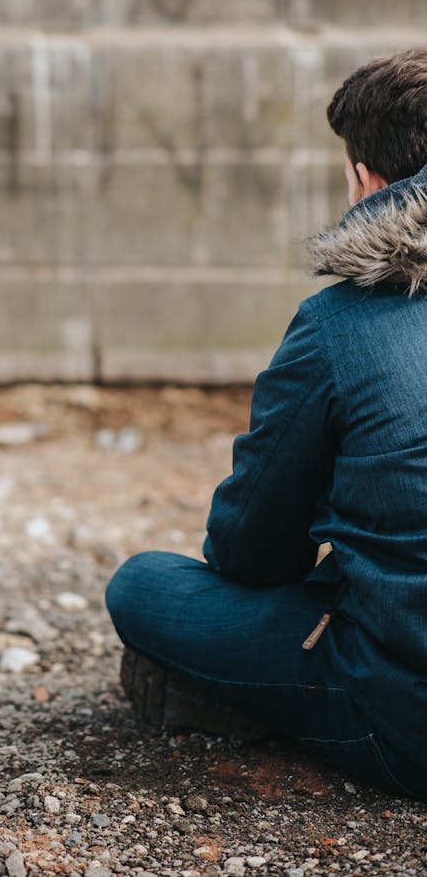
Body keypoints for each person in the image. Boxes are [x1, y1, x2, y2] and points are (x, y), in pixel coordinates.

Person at [106, 48, 427, 799]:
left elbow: (251, 555)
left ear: (365, 180)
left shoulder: (340, 327)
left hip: (407, 729)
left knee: (143, 583)